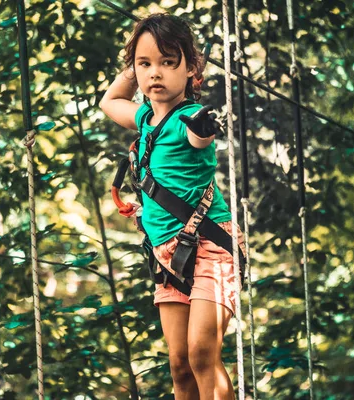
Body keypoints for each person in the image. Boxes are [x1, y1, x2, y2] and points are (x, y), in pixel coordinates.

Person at [99, 13, 246, 400]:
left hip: (210, 248)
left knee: (201, 354)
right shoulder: (145, 119)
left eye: (168, 62)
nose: (156, 74)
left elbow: (200, 135)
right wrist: (136, 59)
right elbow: (110, 101)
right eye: (146, 65)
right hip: (168, 257)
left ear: (191, 68)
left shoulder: (187, 119)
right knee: (179, 365)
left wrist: (203, 128)